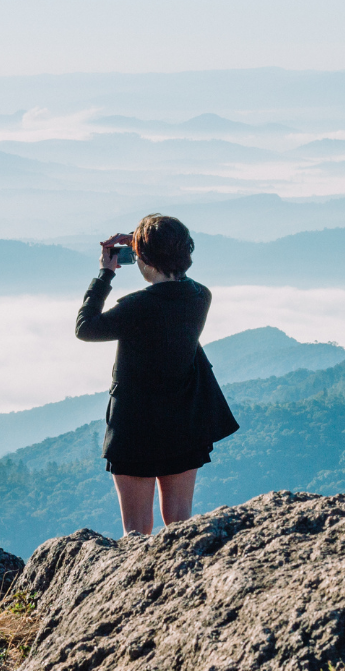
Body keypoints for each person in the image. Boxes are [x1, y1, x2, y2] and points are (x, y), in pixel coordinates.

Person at [75, 213, 238, 535]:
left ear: (144, 258)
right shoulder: (199, 295)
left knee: (136, 532)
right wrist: (143, 242)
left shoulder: (138, 306)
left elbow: (85, 328)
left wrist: (104, 274)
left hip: (135, 425)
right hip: (184, 419)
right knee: (180, 523)